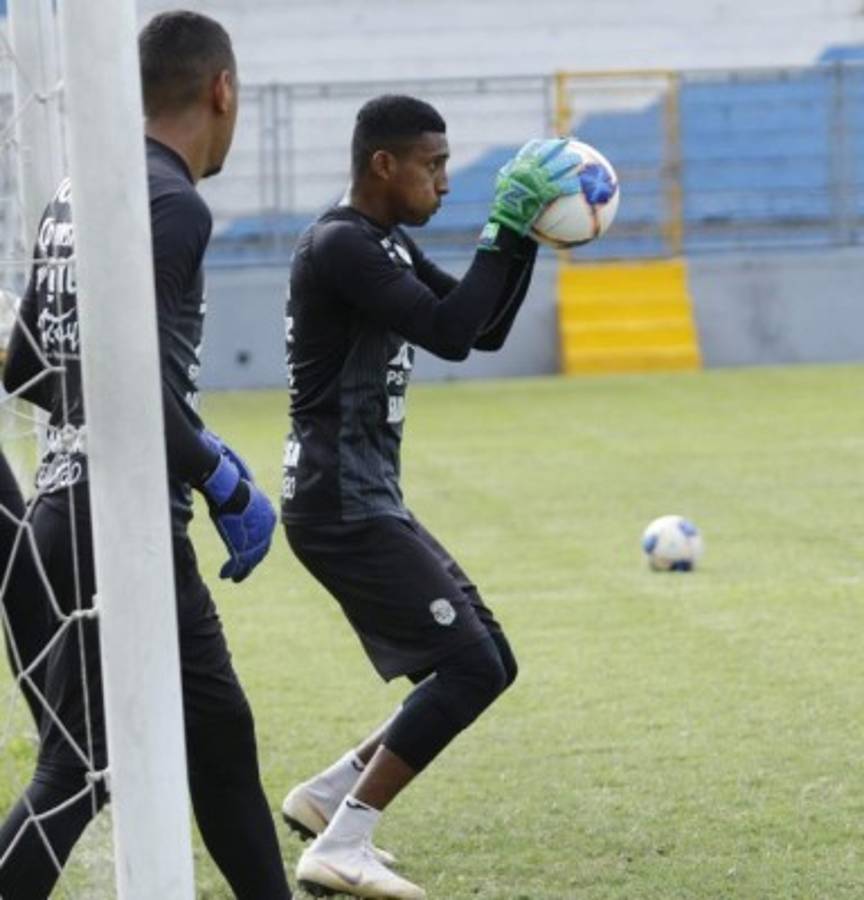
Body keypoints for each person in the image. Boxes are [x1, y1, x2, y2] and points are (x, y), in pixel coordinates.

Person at [0, 12, 291, 899]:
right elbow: (128, 384)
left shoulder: (73, 191)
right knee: (77, 775)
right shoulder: (168, 202)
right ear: (222, 90)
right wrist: (220, 474)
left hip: (71, 507)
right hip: (110, 523)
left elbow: (29, 369)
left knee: (218, 736)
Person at [280, 94, 583, 899]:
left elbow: (478, 330)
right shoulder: (342, 244)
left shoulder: (382, 242)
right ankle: (343, 843)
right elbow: (450, 332)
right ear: (385, 163)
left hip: (363, 494)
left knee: (493, 659)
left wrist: (522, 236)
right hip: (338, 501)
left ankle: (324, 798)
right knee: (470, 668)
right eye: (434, 165)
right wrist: (503, 229)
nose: (444, 183)